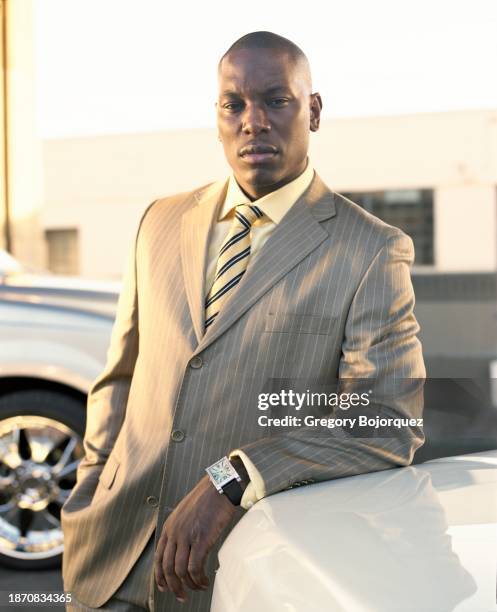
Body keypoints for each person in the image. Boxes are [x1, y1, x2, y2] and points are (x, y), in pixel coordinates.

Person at [61, 31, 425, 612]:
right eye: (234, 103)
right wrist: (90, 491)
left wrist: (236, 475)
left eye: (277, 100)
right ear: (218, 115)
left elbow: (386, 423)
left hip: (238, 575)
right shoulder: (159, 220)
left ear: (314, 110)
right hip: (107, 561)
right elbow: (121, 379)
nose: (253, 121)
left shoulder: (372, 251)